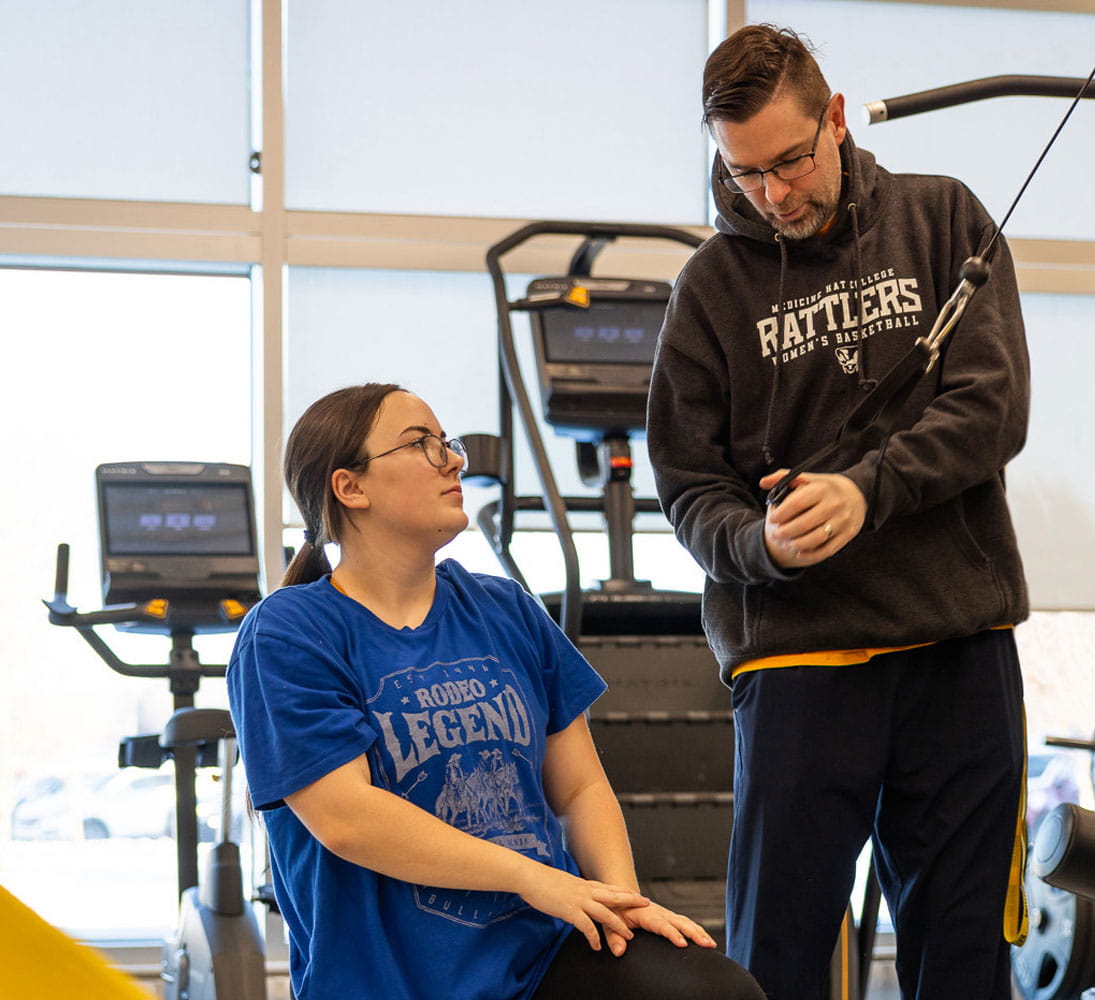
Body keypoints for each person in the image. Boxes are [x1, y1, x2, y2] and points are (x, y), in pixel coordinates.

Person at [646, 24, 1031, 1000]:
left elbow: (991, 407)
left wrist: (868, 491)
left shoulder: (942, 219)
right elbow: (691, 491)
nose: (772, 195)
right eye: (744, 176)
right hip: (800, 660)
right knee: (770, 964)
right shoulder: (706, 293)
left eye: (790, 161)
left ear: (837, 119)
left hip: (955, 645)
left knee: (966, 955)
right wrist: (759, 542)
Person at [227, 383, 765, 1000]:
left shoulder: (503, 606)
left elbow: (581, 786)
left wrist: (619, 906)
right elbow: (347, 819)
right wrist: (532, 878)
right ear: (351, 488)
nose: (453, 459)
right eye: (420, 445)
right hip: (391, 983)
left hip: (541, 960)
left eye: (446, 443)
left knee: (716, 991)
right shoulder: (290, 632)